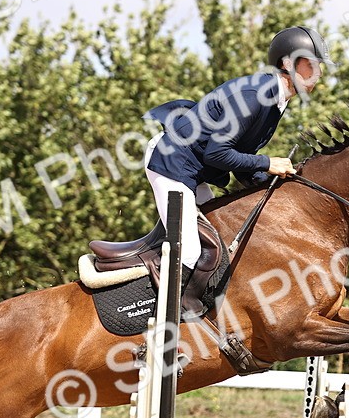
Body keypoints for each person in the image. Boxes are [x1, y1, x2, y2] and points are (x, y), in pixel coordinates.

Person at [142, 26, 335, 313]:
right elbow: (218, 153)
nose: (317, 72)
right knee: (193, 250)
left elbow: (240, 158)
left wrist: (276, 181)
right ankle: (166, 320)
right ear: (287, 64)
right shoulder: (255, 95)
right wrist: (268, 163)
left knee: (220, 237)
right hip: (171, 163)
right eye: (311, 63)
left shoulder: (276, 100)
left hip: (196, 170)